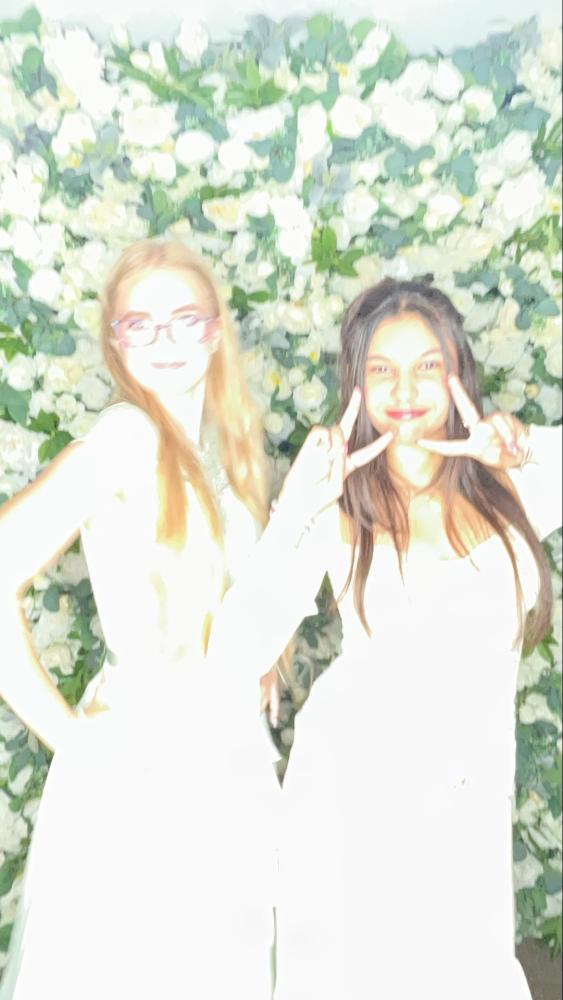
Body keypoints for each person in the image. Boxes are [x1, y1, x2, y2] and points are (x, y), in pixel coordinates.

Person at [207, 279, 562, 999]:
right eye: (381, 370)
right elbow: (233, 657)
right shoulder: (337, 506)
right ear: (357, 384)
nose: (404, 390)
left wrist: (527, 450)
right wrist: (295, 510)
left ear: (458, 371)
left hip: (469, 808)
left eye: (427, 365)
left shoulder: (511, 487)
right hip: (353, 805)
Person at [0, 239, 283, 1000]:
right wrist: (78, 746)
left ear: (216, 333)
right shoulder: (127, 438)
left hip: (227, 762)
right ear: (116, 343)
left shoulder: (218, 447)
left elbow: (212, 592)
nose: (163, 340)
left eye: (184, 319)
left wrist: (256, 657)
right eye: (140, 324)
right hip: (145, 774)